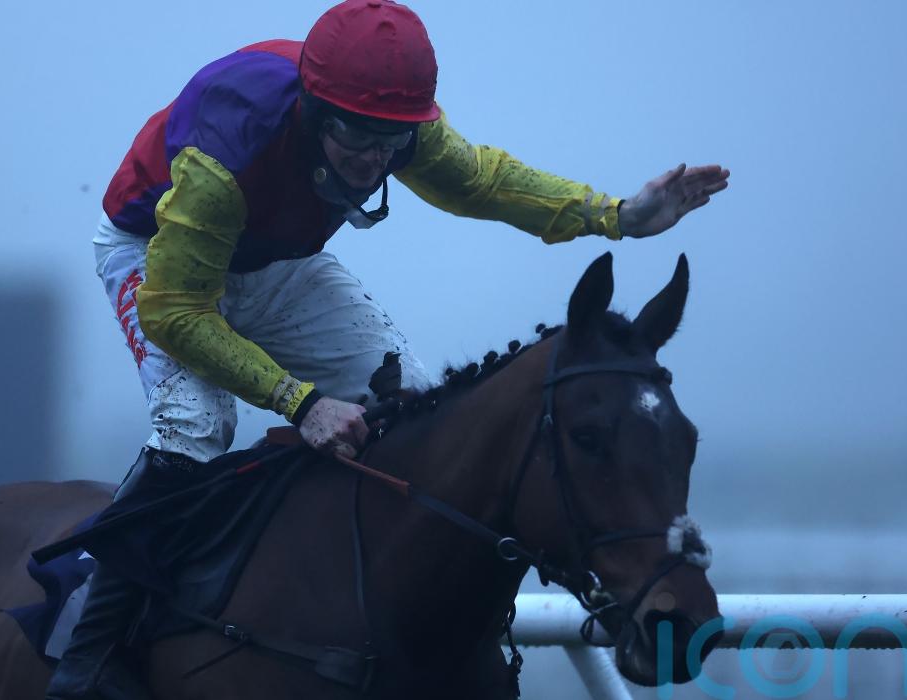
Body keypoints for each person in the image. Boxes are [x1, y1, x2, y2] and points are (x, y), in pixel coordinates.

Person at [47, 1, 730, 697]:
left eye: (392, 143)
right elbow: (177, 312)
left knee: (411, 407)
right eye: (358, 138)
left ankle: (367, 617)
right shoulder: (227, 154)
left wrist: (617, 215)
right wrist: (300, 403)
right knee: (196, 426)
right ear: (315, 115)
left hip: (275, 261)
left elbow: (484, 181)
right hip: (160, 261)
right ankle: (88, 650)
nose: (375, 160)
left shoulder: (389, 122)